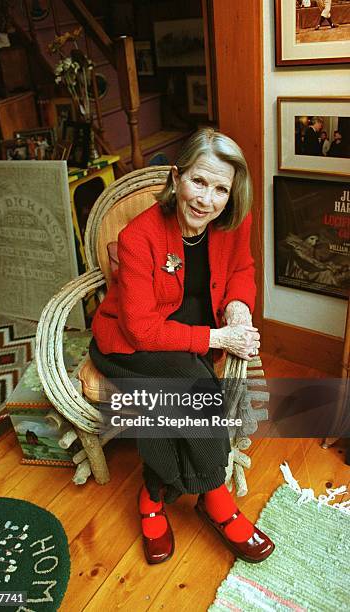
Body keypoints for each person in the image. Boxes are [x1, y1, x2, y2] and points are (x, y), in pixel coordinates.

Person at [88, 128, 275, 565]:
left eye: (220, 188)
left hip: (186, 339)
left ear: (232, 193)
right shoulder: (139, 237)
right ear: (177, 177)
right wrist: (218, 338)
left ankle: (152, 495)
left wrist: (238, 310)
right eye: (198, 181)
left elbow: (242, 270)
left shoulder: (233, 220)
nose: (206, 199)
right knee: (197, 388)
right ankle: (217, 503)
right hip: (128, 345)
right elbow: (140, 330)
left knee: (169, 396)